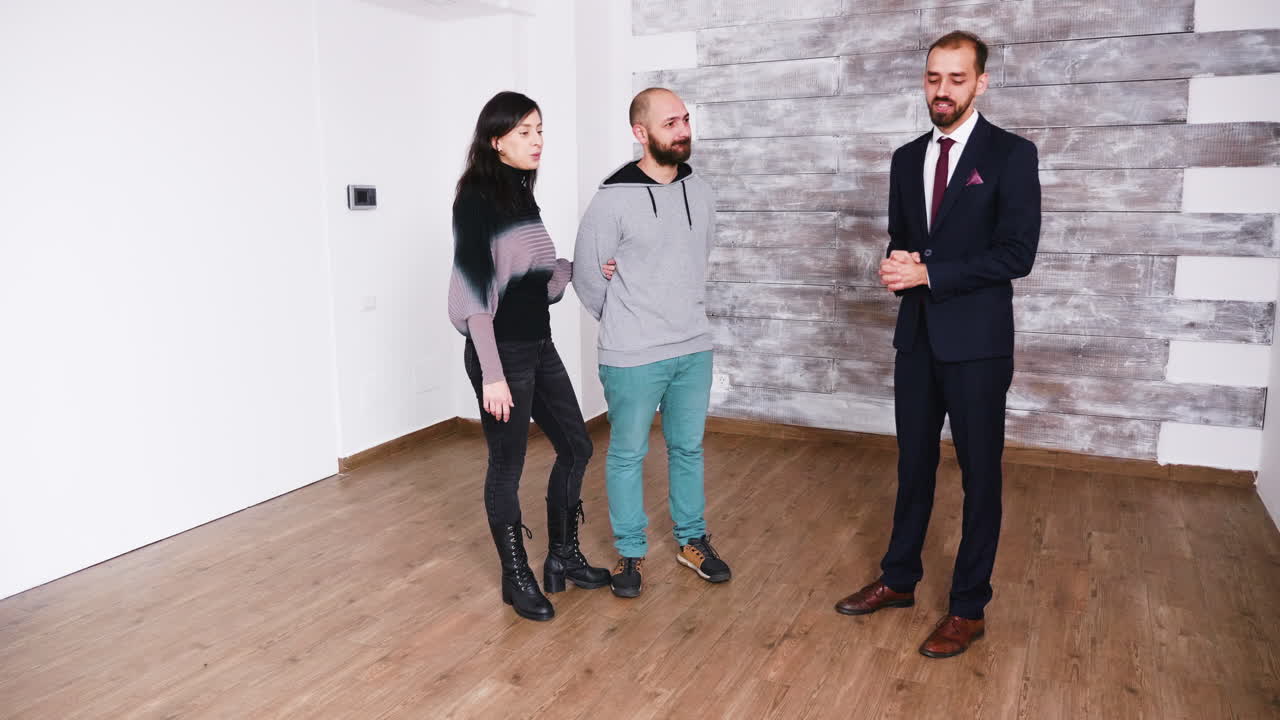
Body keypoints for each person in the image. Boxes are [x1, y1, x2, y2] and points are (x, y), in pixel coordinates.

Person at [834, 31, 1041, 659]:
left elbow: (1016, 253)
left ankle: (968, 607)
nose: (942, 90)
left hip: (977, 344)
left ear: (980, 83)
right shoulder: (904, 158)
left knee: (980, 476)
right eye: (933, 78)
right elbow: (907, 237)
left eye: (956, 79)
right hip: (918, 338)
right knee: (913, 465)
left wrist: (929, 273)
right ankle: (899, 579)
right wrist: (896, 264)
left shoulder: (1011, 154)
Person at [447, 91, 609, 622]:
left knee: (577, 445)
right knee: (507, 467)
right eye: (524, 132)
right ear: (496, 141)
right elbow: (474, 296)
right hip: (501, 357)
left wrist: (576, 269)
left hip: (538, 346)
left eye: (540, 129)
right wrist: (492, 375)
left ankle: (562, 557)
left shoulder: (520, 193)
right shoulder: (475, 199)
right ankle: (515, 578)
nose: (537, 140)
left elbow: (532, 282)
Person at [573, 88, 731, 600]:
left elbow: (696, 255)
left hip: (692, 345)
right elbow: (587, 277)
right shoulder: (611, 199)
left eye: (685, 119)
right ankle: (631, 552)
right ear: (641, 133)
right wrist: (624, 318)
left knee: (688, 448)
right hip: (633, 353)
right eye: (670, 123)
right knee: (627, 453)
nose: (683, 130)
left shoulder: (701, 190)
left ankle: (692, 541)